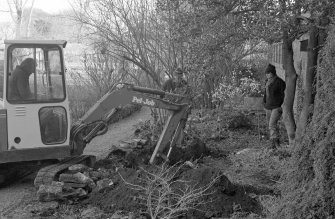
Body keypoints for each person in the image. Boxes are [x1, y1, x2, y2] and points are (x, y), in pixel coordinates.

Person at [263, 64, 286, 149]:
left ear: (273, 73)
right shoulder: (267, 81)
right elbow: (265, 94)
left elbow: (283, 94)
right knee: (271, 125)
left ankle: (275, 143)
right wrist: (264, 103)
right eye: (266, 73)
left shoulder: (279, 82)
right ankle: (274, 143)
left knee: (272, 125)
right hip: (268, 107)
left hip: (276, 107)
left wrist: (281, 104)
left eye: (268, 73)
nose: (267, 74)